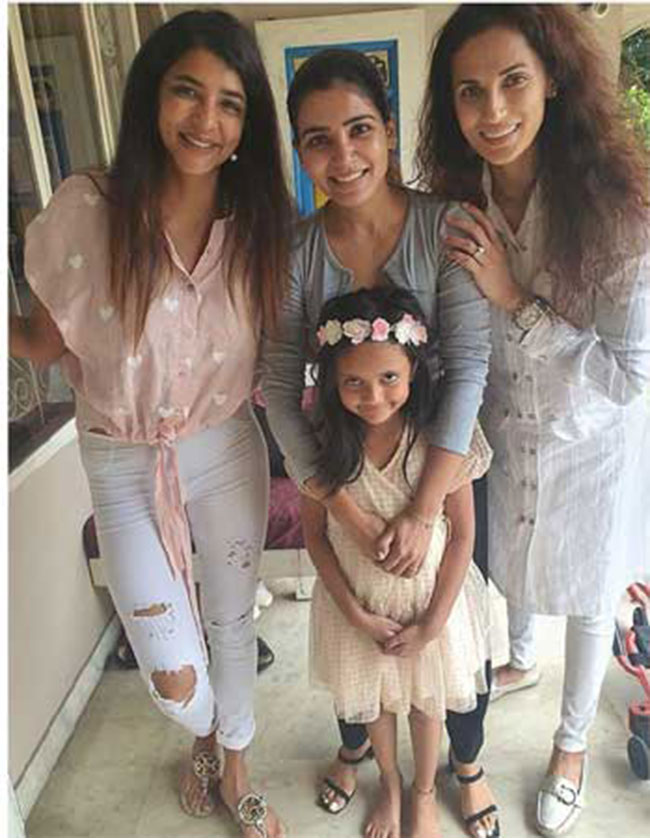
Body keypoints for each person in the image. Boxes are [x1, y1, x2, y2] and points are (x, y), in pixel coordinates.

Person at [9, 11, 293, 838]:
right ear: (150, 98)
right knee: (173, 671)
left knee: (232, 619)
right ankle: (203, 725)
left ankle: (233, 759)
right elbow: (44, 341)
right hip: (123, 459)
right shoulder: (87, 210)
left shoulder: (259, 221)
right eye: (187, 92)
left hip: (225, 445)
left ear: (248, 123)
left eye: (230, 103)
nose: (207, 120)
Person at [417, 4, 650, 835]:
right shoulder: (455, 205)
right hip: (500, 432)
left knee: (587, 592)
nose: (492, 112)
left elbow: (628, 376)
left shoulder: (616, 213)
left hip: (591, 441)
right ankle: (519, 660)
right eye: (469, 91)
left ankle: (572, 743)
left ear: (552, 79)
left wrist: (517, 302)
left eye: (513, 81)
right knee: (505, 563)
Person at [263, 47, 499, 838]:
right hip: (341, 475)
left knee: (448, 637)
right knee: (358, 643)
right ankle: (367, 763)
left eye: (359, 129)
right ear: (299, 151)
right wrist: (350, 514)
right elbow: (278, 386)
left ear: (389, 130)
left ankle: (459, 772)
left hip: (440, 466)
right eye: (317, 139)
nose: (343, 156)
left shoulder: (446, 225)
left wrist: (425, 509)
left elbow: (468, 367)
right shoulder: (295, 253)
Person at [302, 287, 491, 838]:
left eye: (389, 378)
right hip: (359, 610)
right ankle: (388, 783)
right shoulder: (322, 446)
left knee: (428, 704)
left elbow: (462, 537)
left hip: (432, 609)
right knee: (376, 703)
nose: (374, 397)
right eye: (354, 383)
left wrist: (433, 623)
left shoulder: (439, 440)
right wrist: (355, 614)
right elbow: (316, 538)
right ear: (332, 382)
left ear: (413, 370)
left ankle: (424, 791)